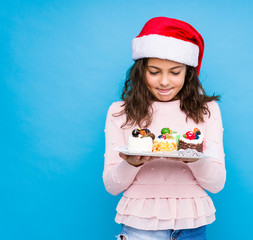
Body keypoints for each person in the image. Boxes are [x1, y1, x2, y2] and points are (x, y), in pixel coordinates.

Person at [103, 16, 226, 240]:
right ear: (141, 70)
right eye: (154, 71)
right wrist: (130, 163)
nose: (164, 82)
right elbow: (112, 186)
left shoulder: (208, 110)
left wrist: (194, 159)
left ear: (188, 72)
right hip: (139, 224)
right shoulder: (118, 112)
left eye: (175, 72)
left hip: (193, 225)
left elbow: (217, 184)